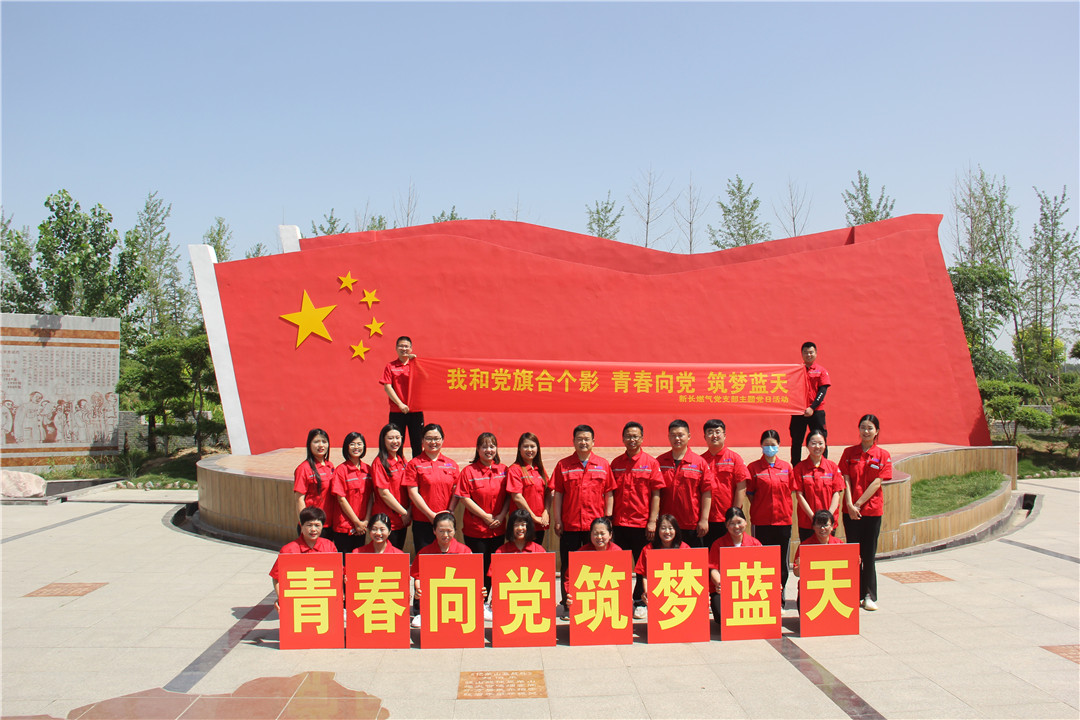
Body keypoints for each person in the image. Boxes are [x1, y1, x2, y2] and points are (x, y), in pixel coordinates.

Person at [551, 424, 616, 613]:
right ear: (573, 441)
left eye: (587, 439)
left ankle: (594, 602)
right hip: (570, 525)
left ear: (593, 442)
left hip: (595, 528)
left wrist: (608, 520)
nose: (583, 442)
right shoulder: (563, 465)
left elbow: (609, 493)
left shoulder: (603, 465)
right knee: (568, 566)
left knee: (595, 566)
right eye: (579, 439)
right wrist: (557, 520)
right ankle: (568, 604)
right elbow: (558, 494)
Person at [610, 421, 664, 615]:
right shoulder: (616, 464)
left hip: (641, 523)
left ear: (642, 438)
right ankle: (619, 599)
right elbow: (610, 493)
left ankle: (640, 601)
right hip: (619, 523)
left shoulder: (651, 463)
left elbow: (656, 493)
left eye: (635, 436)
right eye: (628, 436)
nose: (631, 439)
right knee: (619, 565)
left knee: (642, 566)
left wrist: (652, 521)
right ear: (623, 438)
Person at [840, 414, 892, 611]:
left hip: (871, 511)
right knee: (853, 554)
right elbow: (845, 478)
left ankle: (869, 595)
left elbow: (877, 482)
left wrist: (858, 504)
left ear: (876, 431)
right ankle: (854, 593)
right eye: (863, 427)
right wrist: (849, 503)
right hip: (850, 511)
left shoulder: (883, 455)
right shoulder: (849, 453)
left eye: (870, 428)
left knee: (869, 555)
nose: (866, 431)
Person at [455, 432, 510, 598]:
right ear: (478, 449)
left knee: (494, 567)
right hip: (476, 530)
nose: (489, 450)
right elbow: (464, 497)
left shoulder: (504, 470)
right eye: (484, 447)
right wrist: (485, 516)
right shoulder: (469, 471)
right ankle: (478, 600)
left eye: (492, 446)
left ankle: (489, 601)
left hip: (498, 528)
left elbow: (509, 496)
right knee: (478, 568)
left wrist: (501, 516)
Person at [746, 428, 795, 608]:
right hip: (761, 522)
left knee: (781, 563)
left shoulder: (786, 468)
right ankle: (763, 598)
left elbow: (790, 491)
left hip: (783, 521)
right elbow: (750, 494)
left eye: (773, 445)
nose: (770, 448)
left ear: (779, 445)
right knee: (761, 561)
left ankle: (779, 598)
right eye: (766, 445)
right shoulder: (753, 468)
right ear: (761, 446)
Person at [410, 510, 474, 628]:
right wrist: (418, 589)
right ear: (434, 531)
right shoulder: (425, 552)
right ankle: (421, 613)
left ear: (455, 530)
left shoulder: (465, 551)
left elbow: (472, 577)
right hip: (432, 597)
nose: (445, 535)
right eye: (441, 531)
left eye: (449, 531)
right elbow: (417, 576)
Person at [403, 423, 460, 553]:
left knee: (446, 561)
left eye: (436, 438)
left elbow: (456, 490)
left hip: (446, 523)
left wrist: (450, 511)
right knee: (425, 560)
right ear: (422, 440)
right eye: (429, 438)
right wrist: (431, 515)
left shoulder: (451, 464)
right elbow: (413, 493)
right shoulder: (414, 464)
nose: (433, 442)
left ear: (442, 440)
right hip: (422, 521)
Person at [657, 419, 714, 548]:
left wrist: (704, 519)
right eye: (673, 435)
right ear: (668, 437)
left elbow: (707, 492)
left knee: (693, 559)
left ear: (688, 436)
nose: (677, 438)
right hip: (667, 525)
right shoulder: (660, 462)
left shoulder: (699, 462)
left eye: (681, 435)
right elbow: (655, 493)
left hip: (691, 523)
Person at [269, 506, 337, 609]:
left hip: (323, 600)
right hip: (298, 601)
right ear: (301, 525)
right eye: (309, 525)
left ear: (323, 526)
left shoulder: (329, 546)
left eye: (317, 525)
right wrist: (281, 599)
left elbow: (337, 574)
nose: (313, 529)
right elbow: (276, 578)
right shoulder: (288, 550)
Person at [708, 506, 763, 625]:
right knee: (722, 617)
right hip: (725, 590)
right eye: (732, 523)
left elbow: (764, 569)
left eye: (739, 522)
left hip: (749, 589)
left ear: (746, 522)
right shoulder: (718, 544)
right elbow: (713, 569)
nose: (736, 527)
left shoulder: (755, 544)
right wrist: (719, 583)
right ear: (726, 525)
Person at [701, 419, 750, 548]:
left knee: (728, 554)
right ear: (705, 437)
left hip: (727, 519)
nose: (714, 435)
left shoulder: (734, 458)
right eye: (710, 432)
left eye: (718, 432)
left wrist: (734, 515)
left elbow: (741, 487)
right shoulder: (700, 460)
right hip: (706, 519)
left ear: (724, 435)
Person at [633, 513, 691, 617]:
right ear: (657, 530)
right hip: (659, 591)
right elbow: (645, 576)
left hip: (679, 591)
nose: (667, 532)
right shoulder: (648, 549)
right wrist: (647, 593)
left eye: (670, 528)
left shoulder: (684, 548)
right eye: (663, 528)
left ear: (676, 530)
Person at [793, 429, 844, 541]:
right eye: (813, 443)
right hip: (807, 522)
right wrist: (814, 518)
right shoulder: (799, 468)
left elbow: (837, 493)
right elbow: (799, 495)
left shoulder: (832, 467)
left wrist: (828, 517)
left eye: (820, 443)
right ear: (807, 445)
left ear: (825, 445)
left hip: (828, 524)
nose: (817, 447)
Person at [792, 509, 845, 613]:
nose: (822, 528)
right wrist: (800, 567)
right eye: (819, 525)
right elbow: (796, 573)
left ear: (832, 526)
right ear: (813, 527)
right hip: (811, 589)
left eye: (826, 525)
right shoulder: (805, 546)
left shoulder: (839, 545)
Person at [380, 336, 424, 458]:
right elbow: (387, 387)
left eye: (406, 346)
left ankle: (417, 465)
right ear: (396, 348)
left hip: (415, 410)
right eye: (401, 346)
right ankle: (397, 464)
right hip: (397, 411)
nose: (404, 348)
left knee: (417, 441)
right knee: (396, 441)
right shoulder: (390, 366)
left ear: (411, 348)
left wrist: (416, 363)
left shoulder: (416, 364)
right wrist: (400, 404)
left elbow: (425, 379)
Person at [565, 517, 622, 610]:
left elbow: (623, 581)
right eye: (595, 534)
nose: (599, 537)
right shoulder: (581, 553)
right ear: (590, 535)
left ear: (610, 535)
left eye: (602, 534)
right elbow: (569, 577)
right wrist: (572, 594)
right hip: (587, 600)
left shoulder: (618, 553)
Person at [330, 431, 373, 553]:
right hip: (344, 526)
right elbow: (341, 499)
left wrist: (366, 521)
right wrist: (356, 522)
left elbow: (371, 496)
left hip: (362, 526)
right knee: (345, 560)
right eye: (352, 444)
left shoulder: (368, 469)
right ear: (346, 447)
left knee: (357, 561)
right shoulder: (341, 470)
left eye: (359, 444)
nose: (356, 447)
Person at [789, 341, 831, 464]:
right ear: (802, 354)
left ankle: (823, 465)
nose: (808, 355)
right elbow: (790, 389)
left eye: (811, 352)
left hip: (816, 411)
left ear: (816, 353)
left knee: (820, 439)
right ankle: (796, 467)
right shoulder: (796, 370)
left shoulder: (821, 371)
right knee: (796, 440)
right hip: (799, 412)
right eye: (806, 352)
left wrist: (812, 407)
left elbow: (822, 391)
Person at [506, 432, 551, 546]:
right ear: (519, 449)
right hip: (521, 524)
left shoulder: (539, 469)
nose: (529, 450)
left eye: (532, 446)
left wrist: (546, 512)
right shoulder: (514, 469)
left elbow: (548, 492)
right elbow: (517, 497)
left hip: (539, 524)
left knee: (536, 554)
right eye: (525, 446)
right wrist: (533, 517)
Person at [371, 424, 411, 550]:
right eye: (390, 438)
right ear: (383, 440)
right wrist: (404, 512)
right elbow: (384, 493)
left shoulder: (402, 460)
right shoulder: (379, 463)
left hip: (402, 520)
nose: (395, 441)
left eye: (398, 438)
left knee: (398, 553)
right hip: (387, 521)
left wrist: (408, 511)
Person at [293, 428, 335, 539]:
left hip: (329, 524)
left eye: (324, 442)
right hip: (313, 525)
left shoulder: (330, 466)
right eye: (316, 442)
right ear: (309, 445)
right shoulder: (303, 469)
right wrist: (305, 524)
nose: (321, 445)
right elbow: (299, 499)